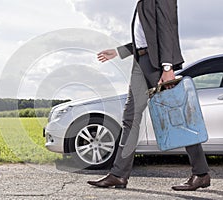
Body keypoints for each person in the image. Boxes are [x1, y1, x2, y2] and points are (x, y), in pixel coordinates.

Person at [87, 0, 210, 191]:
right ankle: (119, 175)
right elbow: (145, 39)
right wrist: (119, 52)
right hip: (141, 63)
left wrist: (167, 67)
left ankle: (201, 173)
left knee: (177, 116)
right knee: (130, 117)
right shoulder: (142, 2)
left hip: (157, 65)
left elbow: (167, 29)